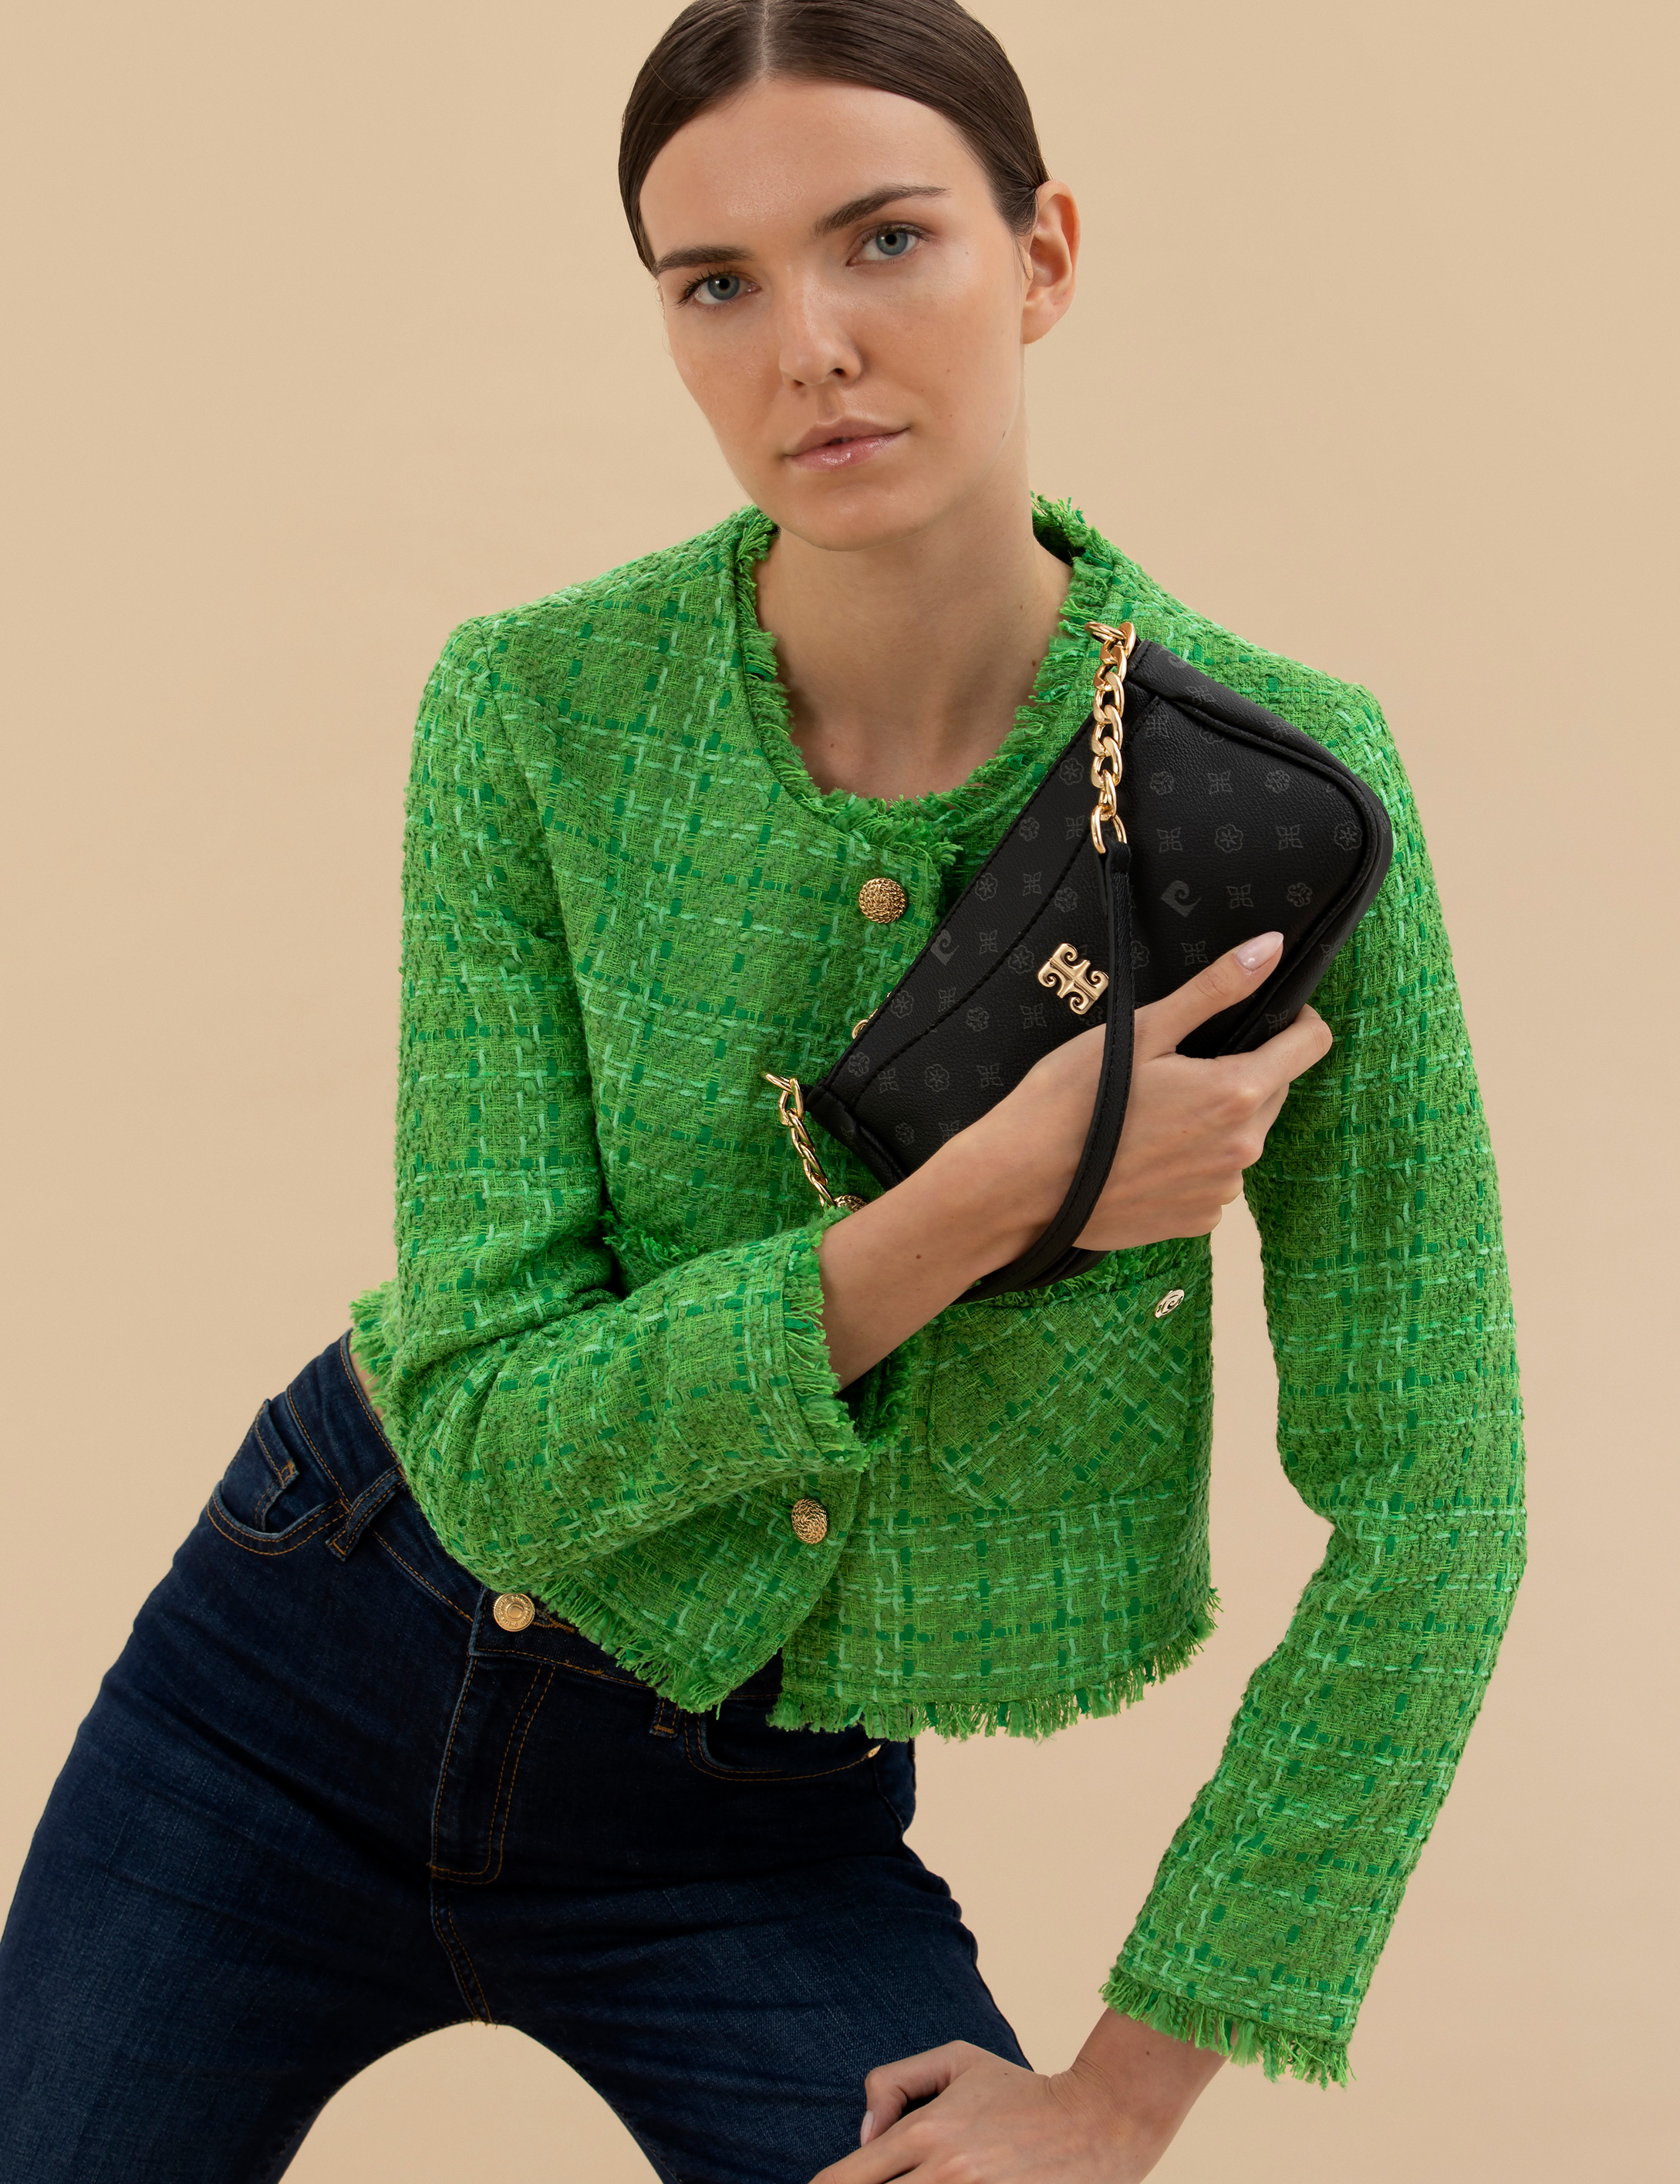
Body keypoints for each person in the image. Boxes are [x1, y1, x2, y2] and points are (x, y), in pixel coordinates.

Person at [0, 4, 1526, 2180]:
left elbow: (1438, 1502)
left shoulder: (1270, 805)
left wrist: (1124, 2089)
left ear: (1043, 254)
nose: (807, 346)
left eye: (886, 240)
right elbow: (492, 1436)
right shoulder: (532, 712)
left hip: (746, 1817)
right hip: (288, 1700)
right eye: (714, 282)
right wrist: (989, 1198)